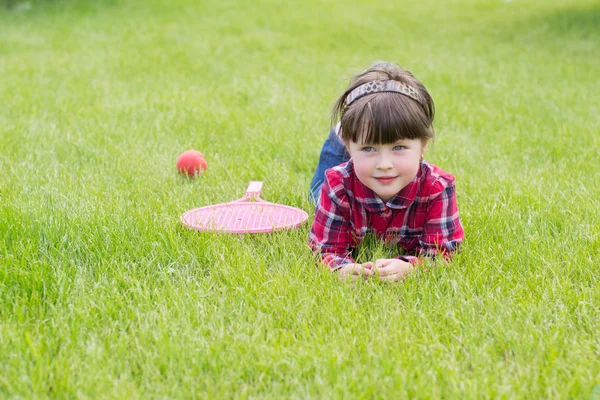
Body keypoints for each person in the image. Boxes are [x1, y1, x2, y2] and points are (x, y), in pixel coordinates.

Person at [309, 61, 464, 282]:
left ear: (423, 145)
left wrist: (412, 268)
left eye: (398, 147)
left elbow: (443, 254)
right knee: (315, 196)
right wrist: (339, 269)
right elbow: (325, 249)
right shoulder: (337, 186)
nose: (384, 164)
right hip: (348, 170)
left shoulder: (438, 188)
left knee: (366, 150)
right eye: (369, 148)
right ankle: (340, 138)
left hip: (359, 162)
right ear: (350, 146)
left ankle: (359, 137)